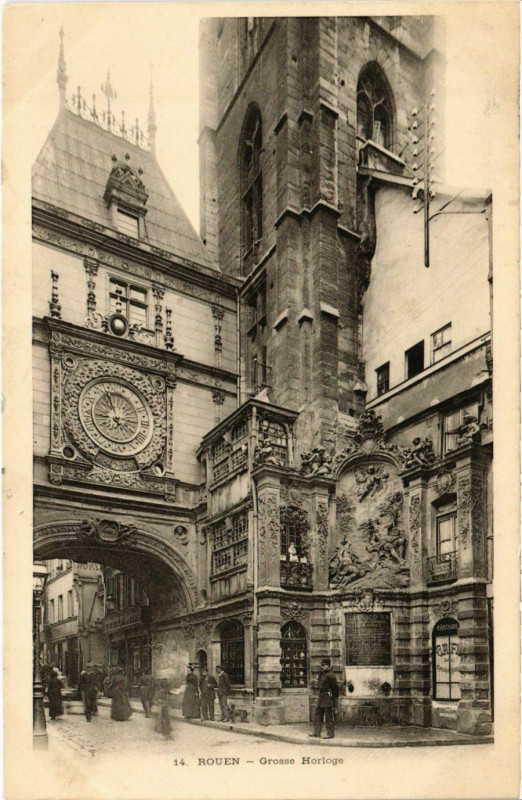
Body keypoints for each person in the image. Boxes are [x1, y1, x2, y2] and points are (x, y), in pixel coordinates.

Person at [309, 658, 339, 740]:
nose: (322, 666)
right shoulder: (322, 673)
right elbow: (319, 683)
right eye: (322, 665)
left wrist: (333, 698)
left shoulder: (331, 675)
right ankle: (316, 732)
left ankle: (330, 733)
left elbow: (335, 688)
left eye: (324, 665)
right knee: (318, 714)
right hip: (321, 696)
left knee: (328, 716)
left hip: (328, 696)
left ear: (328, 665)